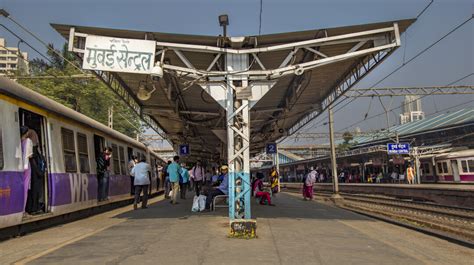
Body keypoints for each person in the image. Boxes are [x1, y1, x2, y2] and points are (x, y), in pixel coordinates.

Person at [20, 126, 33, 214]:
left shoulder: (18, 141)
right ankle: (23, 209)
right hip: (26, 166)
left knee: (20, 187)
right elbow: (30, 155)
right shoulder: (28, 141)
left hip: (19, 166)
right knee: (25, 187)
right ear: (27, 132)